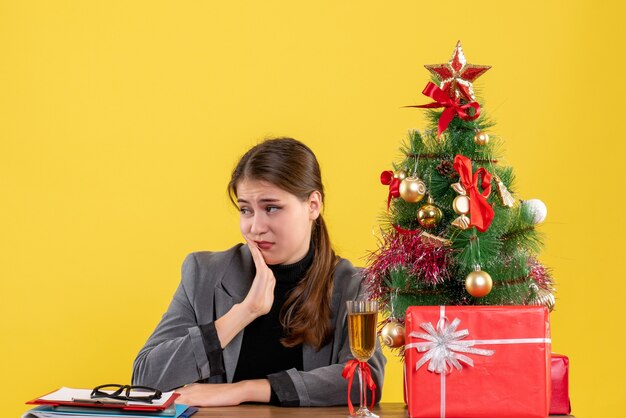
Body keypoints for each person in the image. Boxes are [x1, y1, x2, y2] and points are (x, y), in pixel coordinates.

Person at [132, 137, 385, 407]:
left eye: (271, 208)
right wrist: (243, 313)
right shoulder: (204, 273)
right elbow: (146, 377)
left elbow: (365, 379)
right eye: (245, 210)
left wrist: (246, 390)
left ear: (313, 205)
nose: (255, 227)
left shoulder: (353, 284)